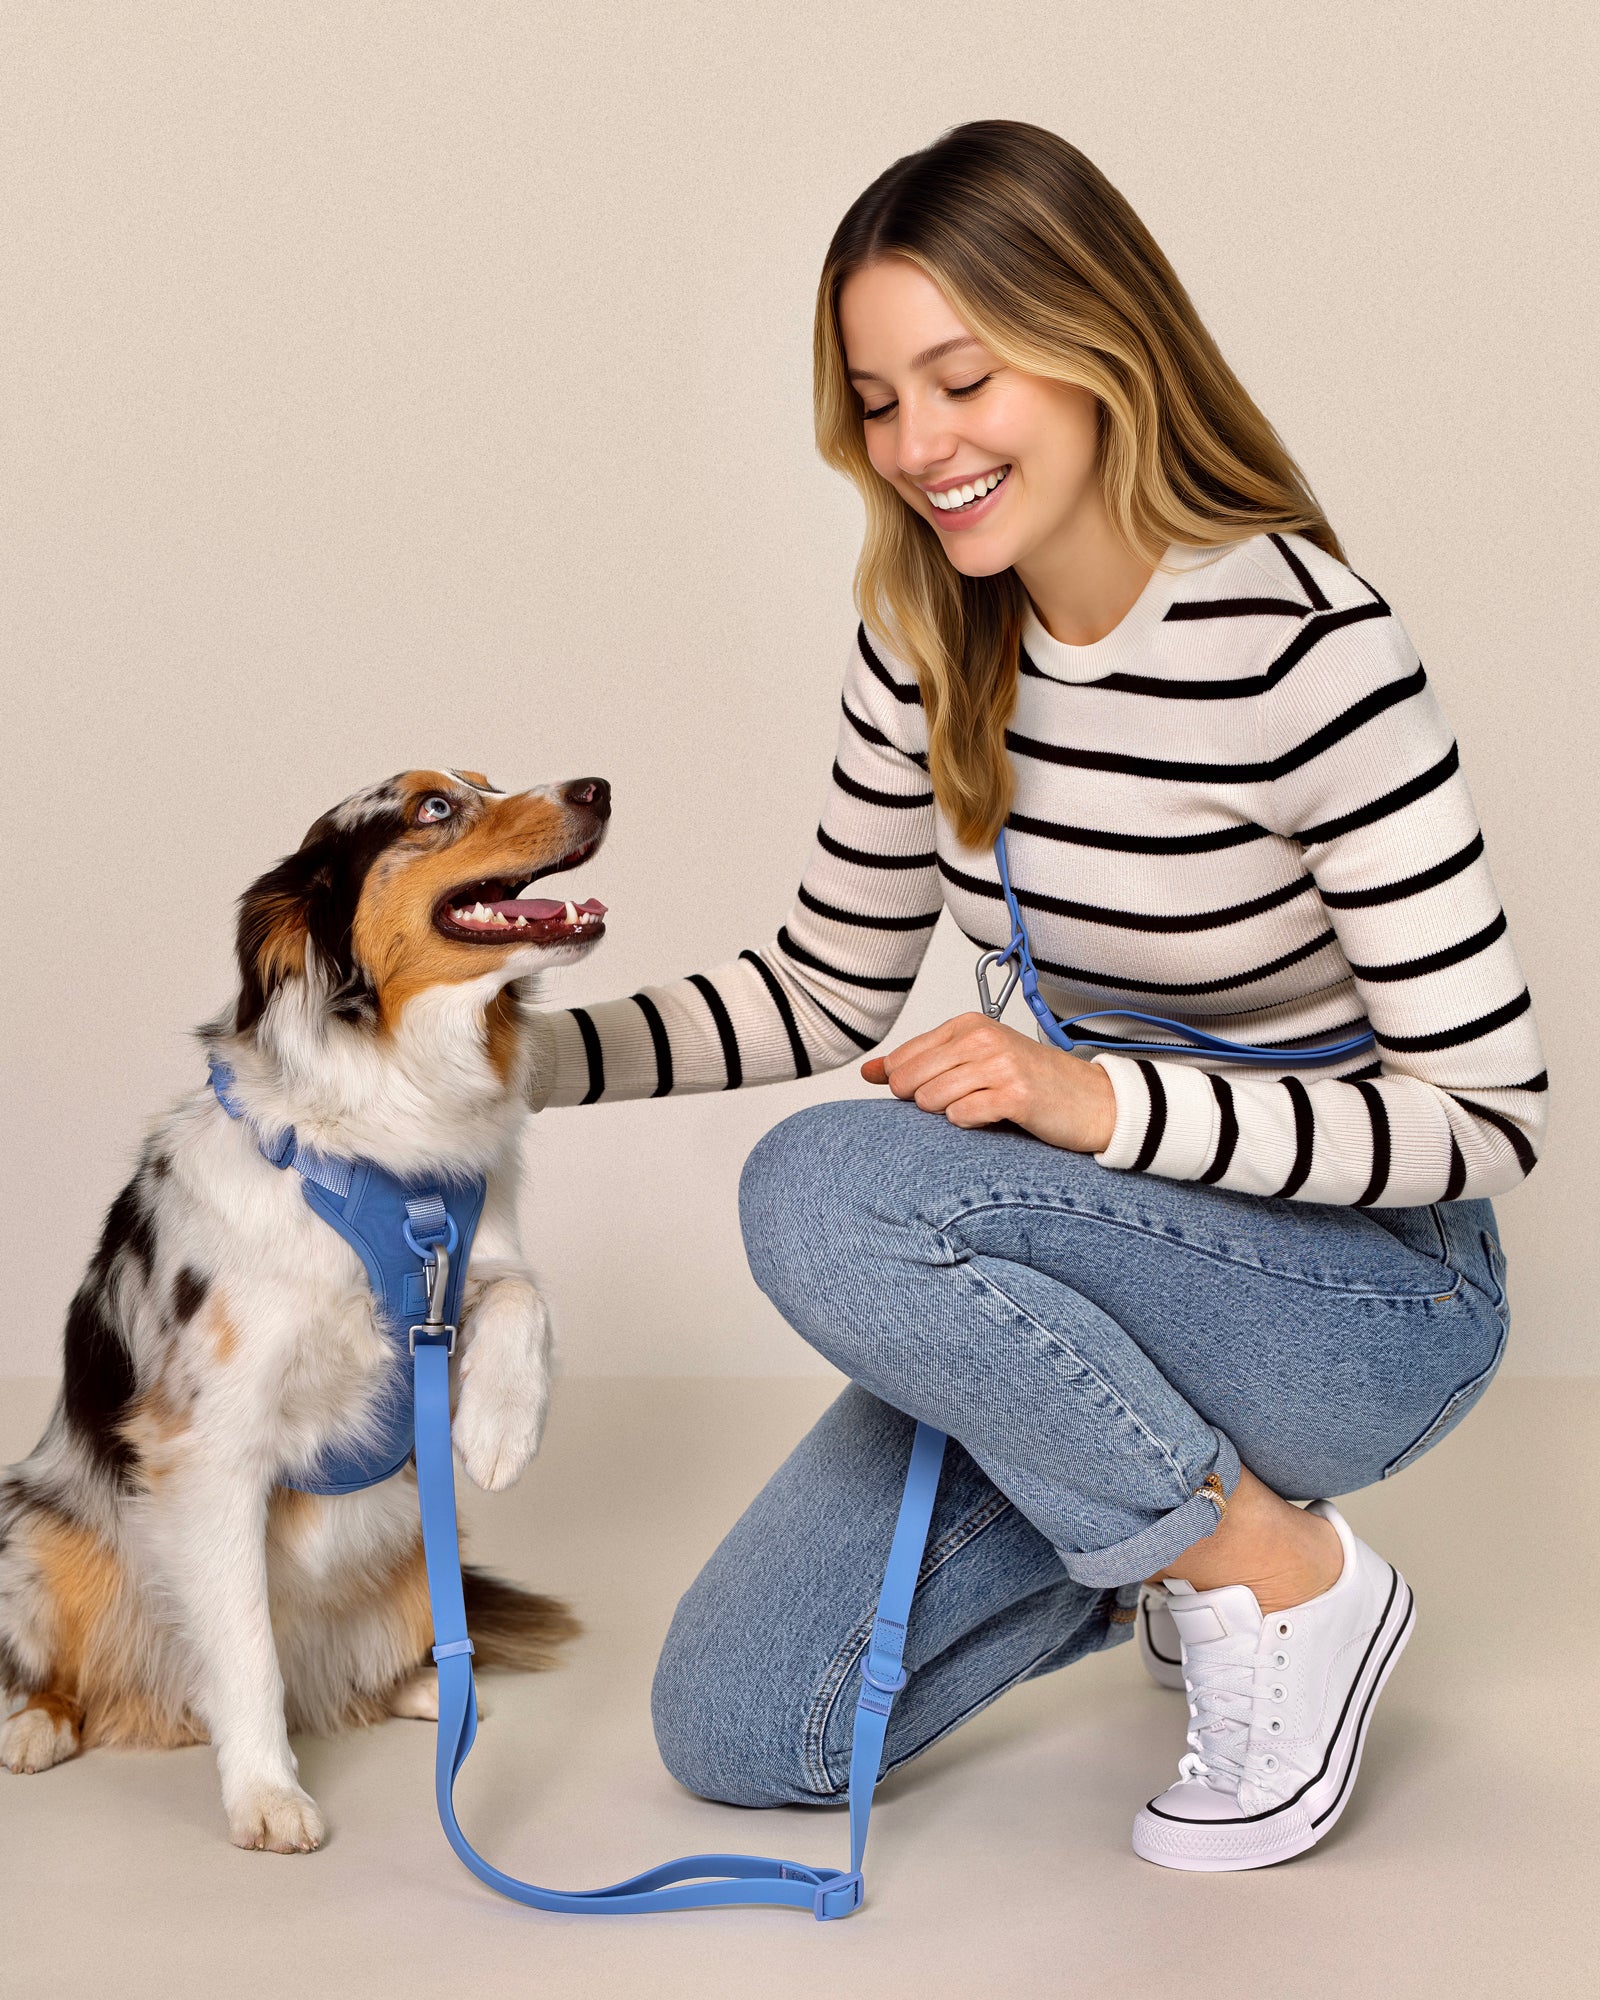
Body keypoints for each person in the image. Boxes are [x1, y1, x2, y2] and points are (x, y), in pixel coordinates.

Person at [523, 120, 1545, 1872]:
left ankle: (1275, 1577)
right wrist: (501, 1065)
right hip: (1092, 1276)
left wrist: (1098, 1105)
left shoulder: (1306, 649)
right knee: (743, 1727)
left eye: (961, 378)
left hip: (1372, 1305)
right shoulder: (929, 644)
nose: (918, 446)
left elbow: (1489, 1122)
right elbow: (821, 977)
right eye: (875, 399)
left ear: (1098, 347)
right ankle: (1163, 1530)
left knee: (821, 1185)